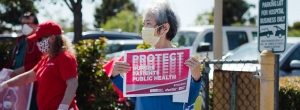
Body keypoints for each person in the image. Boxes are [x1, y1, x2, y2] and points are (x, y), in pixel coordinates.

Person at [109, 0, 202, 110]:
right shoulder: (141, 60)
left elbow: (189, 99)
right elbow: (135, 96)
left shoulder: (182, 60)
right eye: (144, 24)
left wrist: (196, 78)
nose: (144, 29)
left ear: (165, 28)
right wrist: (115, 76)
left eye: (148, 23)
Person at [0, 20, 79, 110]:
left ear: (52, 38)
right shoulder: (46, 59)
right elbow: (28, 77)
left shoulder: (64, 57)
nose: (38, 43)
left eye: (40, 39)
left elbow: (72, 83)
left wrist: (63, 107)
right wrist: (4, 85)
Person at [2, 12, 42, 110]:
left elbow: (40, 63)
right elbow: (15, 59)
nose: (25, 26)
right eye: (23, 23)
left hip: (33, 87)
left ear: (36, 25)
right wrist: (5, 71)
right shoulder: (20, 40)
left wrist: (20, 71)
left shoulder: (40, 41)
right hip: (19, 85)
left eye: (28, 23)